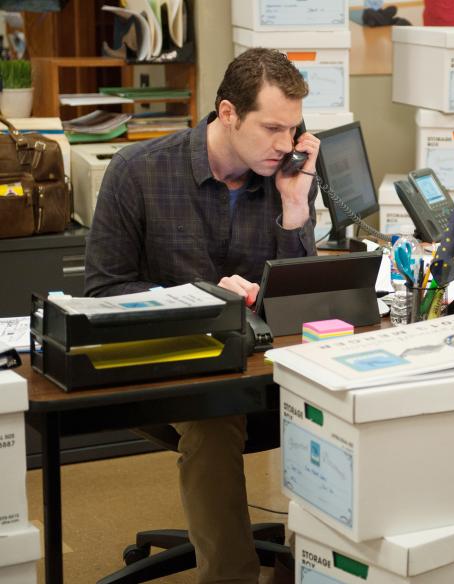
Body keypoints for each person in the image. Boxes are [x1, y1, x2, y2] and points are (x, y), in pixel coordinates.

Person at [84, 48, 320, 583]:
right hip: (173, 365)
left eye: (294, 129)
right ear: (228, 113)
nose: (286, 145)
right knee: (214, 417)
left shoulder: (286, 174)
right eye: (272, 128)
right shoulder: (137, 172)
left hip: (263, 365)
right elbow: (102, 293)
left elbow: (301, 299)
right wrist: (201, 295)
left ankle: (321, 563)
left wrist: (295, 207)